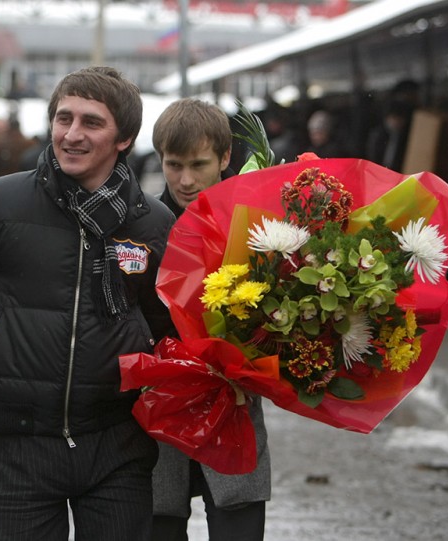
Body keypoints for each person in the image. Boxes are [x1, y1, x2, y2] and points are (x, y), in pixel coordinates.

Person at [0, 66, 176, 540]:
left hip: (117, 441)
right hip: (17, 442)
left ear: (124, 138)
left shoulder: (152, 223)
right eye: (64, 118)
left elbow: (168, 329)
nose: (72, 134)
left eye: (91, 122)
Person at [150, 97, 271, 541]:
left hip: (234, 407)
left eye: (198, 165)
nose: (185, 180)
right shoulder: (143, 227)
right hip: (160, 411)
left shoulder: (258, 225)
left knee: (238, 521)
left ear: (224, 157)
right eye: (173, 165)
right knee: (161, 521)